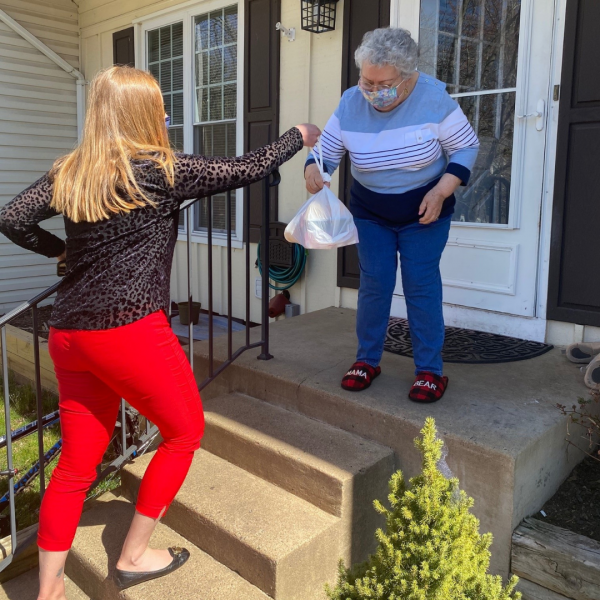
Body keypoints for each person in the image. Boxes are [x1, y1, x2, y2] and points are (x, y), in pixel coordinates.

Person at [0, 65, 320, 600]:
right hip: (127, 332)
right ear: (146, 115)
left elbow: (12, 217)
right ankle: (133, 556)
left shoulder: (72, 171)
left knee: (78, 461)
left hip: (69, 332)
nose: (167, 117)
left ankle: (49, 587)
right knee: (185, 432)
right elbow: (248, 166)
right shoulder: (161, 171)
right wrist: (300, 136)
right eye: (162, 109)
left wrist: (60, 252)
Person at [305, 27, 479, 403]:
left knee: (420, 285)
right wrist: (314, 169)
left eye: (382, 83)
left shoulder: (434, 99)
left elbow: (466, 148)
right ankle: (367, 360)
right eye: (366, 80)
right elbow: (329, 150)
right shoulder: (351, 101)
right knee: (375, 283)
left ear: (407, 75)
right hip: (371, 211)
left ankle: (430, 370)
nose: (372, 91)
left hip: (425, 210)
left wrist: (441, 190)